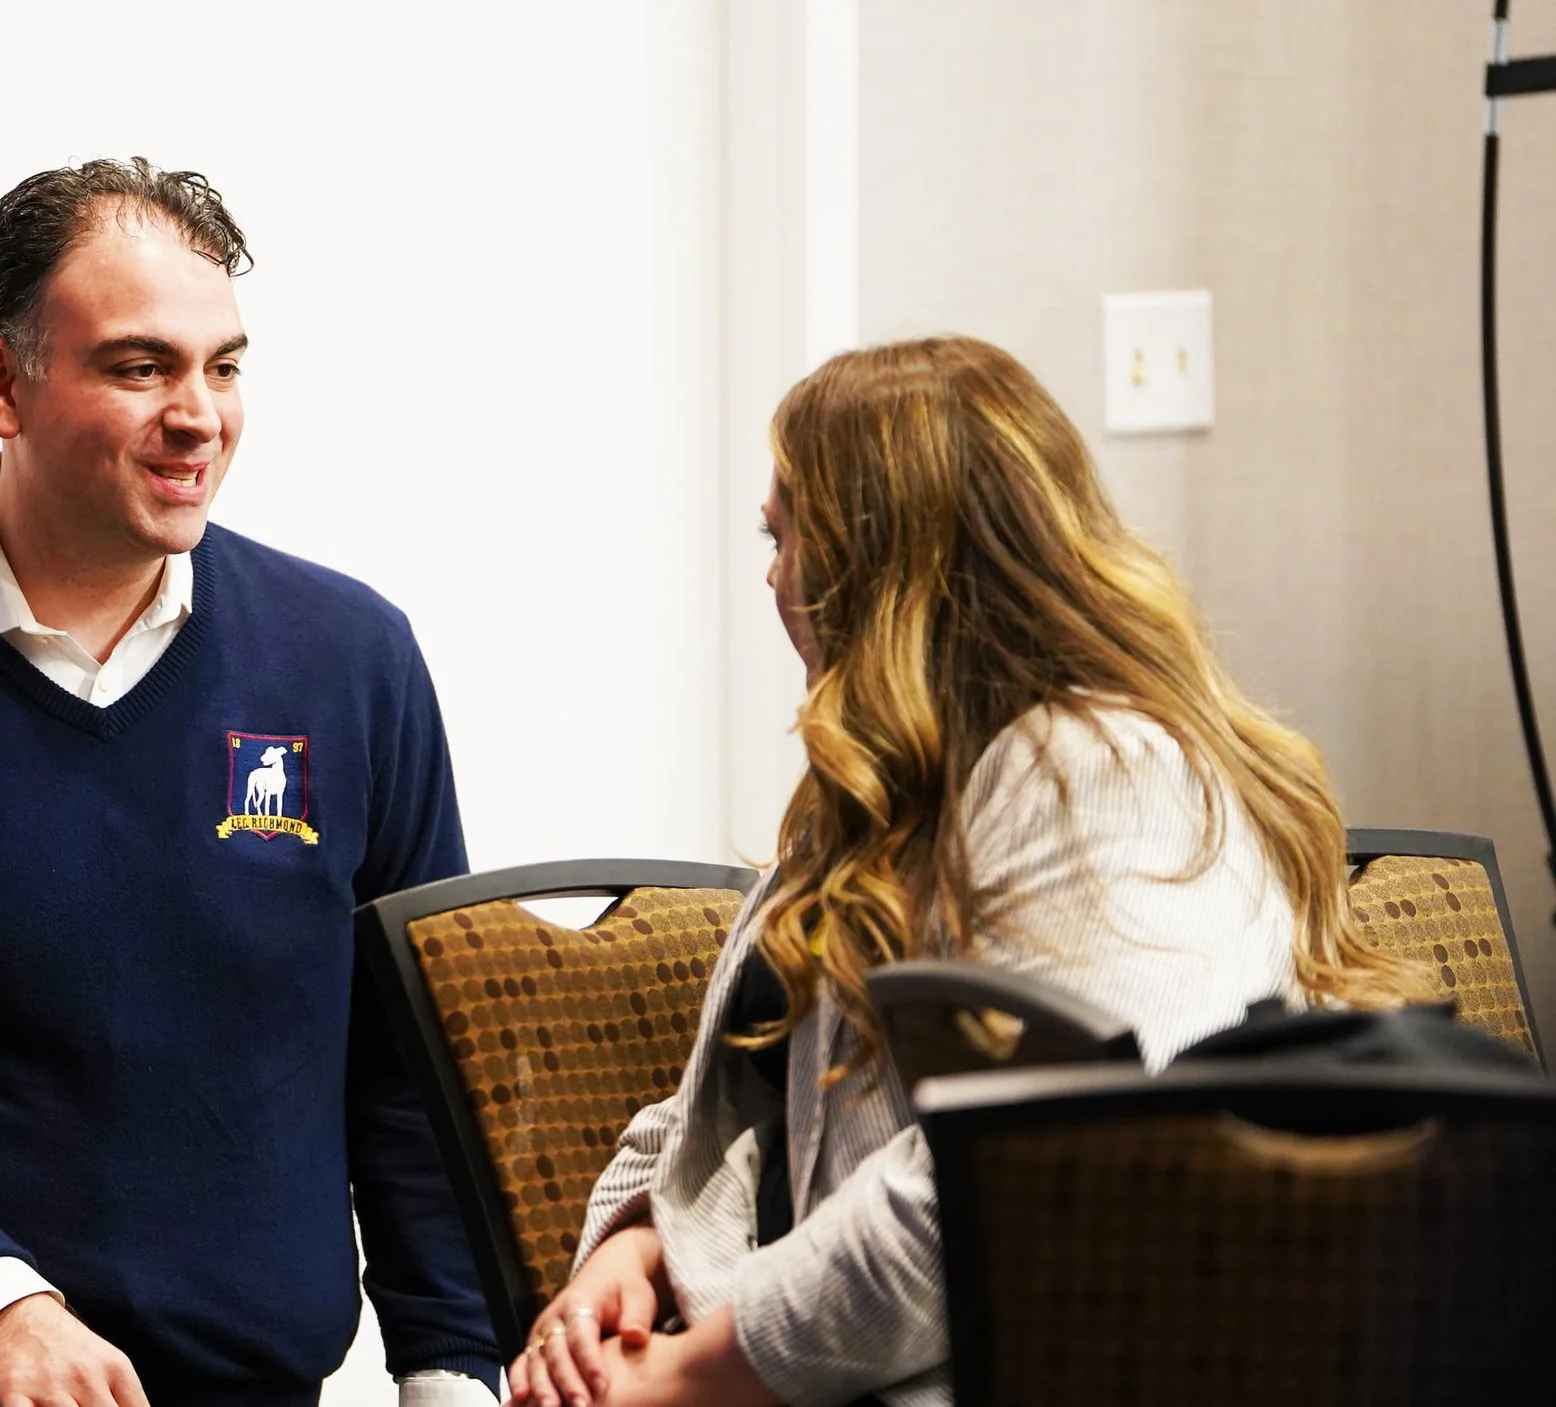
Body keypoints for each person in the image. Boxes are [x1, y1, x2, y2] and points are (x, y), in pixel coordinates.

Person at [0, 158, 496, 1407]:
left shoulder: (351, 659)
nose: (200, 416)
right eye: (140, 368)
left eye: (222, 366)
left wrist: (451, 1370)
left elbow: (415, 1066)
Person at [505, 337, 1429, 1407]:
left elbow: (1024, 1165)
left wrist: (701, 1374)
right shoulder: (882, 790)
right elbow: (732, 1094)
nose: (770, 575)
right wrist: (631, 1250)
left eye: (783, 536)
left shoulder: (1103, 777)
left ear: (881, 559)